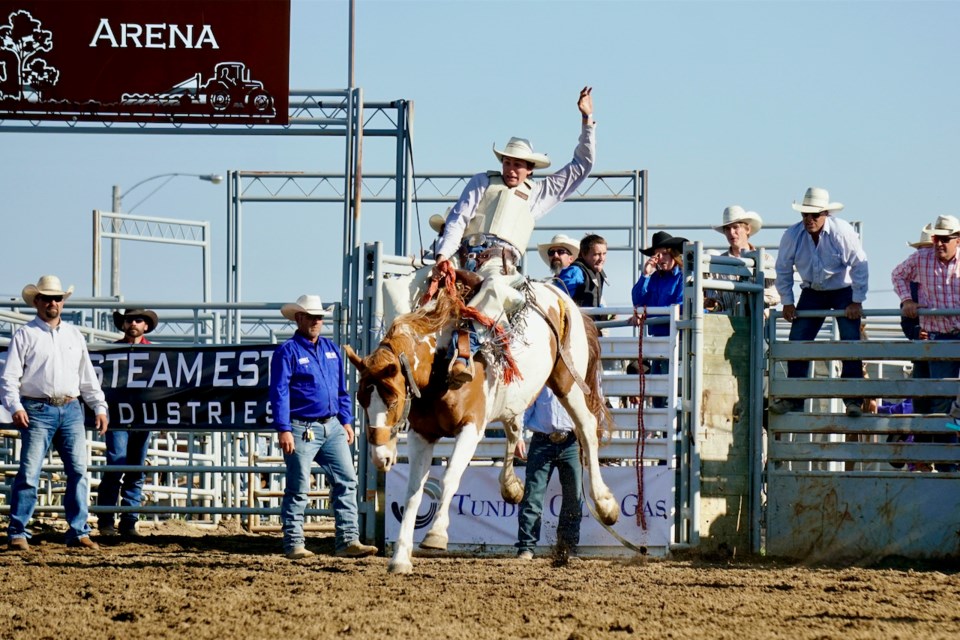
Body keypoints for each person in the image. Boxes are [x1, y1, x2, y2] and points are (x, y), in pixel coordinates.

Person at [431, 87, 596, 387]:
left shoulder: (538, 194)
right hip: (462, 258)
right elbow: (458, 218)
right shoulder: (482, 181)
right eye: (507, 162)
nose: (511, 168)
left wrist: (587, 123)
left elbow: (581, 167)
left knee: (494, 289)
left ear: (530, 169)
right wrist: (443, 256)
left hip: (501, 267)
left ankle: (465, 352)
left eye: (518, 164)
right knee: (422, 286)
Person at [1, 275, 109, 551]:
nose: (53, 303)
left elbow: (87, 376)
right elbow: (9, 378)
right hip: (37, 408)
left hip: (70, 407)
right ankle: (19, 531)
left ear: (62, 302)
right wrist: (16, 406)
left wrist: (99, 405)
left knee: (78, 472)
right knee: (30, 473)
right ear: (37, 301)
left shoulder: (74, 335)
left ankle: (77, 530)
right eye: (47, 298)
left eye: (57, 298)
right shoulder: (25, 334)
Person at [269, 294, 378, 560]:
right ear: (299, 318)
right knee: (299, 486)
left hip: (331, 426)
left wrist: (346, 420)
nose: (317, 321)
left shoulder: (330, 350)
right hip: (299, 427)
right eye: (312, 317)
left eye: (320, 317)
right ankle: (294, 543)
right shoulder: (287, 352)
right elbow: (279, 392)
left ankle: (348, 540)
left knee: (347, 481)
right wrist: (283, 428)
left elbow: (342, 390)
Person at [769, 187, 869, 417]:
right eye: (806, 214)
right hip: (813, 290)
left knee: (850, 341)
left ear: (826, 214)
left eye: (815, 215)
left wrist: (856, 300)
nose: (809, 219)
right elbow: (782, 268)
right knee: (797, 341)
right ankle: (794, 398)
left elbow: (859, 264)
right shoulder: (793, 235)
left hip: (842, 290)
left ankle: (853, 400)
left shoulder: (841, 232)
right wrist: (787, 301)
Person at [891, 214, 960, 471]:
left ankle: (942, 455)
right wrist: (907, 300)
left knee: (943, 402)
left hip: (945, 338)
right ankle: (945, 461)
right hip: (939, 338)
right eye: (936, 239)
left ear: (957, 240)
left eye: (944, 239)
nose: (939, 244)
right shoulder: (922, 259)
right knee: (941, 402)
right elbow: (898, 275)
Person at [96, 308, 159, 539]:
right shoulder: (112, 351)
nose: (133, 323)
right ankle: (107, 520)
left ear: (145, 326)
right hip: (118, 417)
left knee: (135, 469)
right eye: (129, 320)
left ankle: (127, 521)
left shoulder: (156, 353)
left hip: (143, 417)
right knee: (117, 465)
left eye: (138, 320)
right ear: (123, 325)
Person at [515, 387, 582, 561]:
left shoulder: (574, 379)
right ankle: (526, 546)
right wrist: (518, 436)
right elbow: (526, 406)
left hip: (570, 441)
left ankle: (567, 547)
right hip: (543, 441)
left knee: (573, 496)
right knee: (532, 496)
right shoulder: (541, 378)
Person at [631, 231, 687, 409]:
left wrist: (646, 312)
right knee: (657, 393)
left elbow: (679, 307)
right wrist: (645, 275)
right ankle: (664, 433)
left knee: (672, 393)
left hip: (677, 342)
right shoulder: (654, 278)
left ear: (673, 254)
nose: (659, 258)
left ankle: (673, 433)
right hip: (656, 344)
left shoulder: (683, 277)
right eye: (656, 254)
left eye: (663, 253)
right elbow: (637, 299)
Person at [704, 206, 780, 315]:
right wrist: (714, 305)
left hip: (758, 324)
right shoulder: (719, 262)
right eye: (727, 229)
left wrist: (748, 300)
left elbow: (775, 295)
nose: (731, 232)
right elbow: (718, 303)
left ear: (747, 229)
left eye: (735, 227)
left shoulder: (765, 259)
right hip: (729, 325)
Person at [557, 233, 609, 310]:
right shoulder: (575, 272)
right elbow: (558, 298)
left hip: (593, 320)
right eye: (597, 254)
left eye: (604, 254)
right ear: (584, 254)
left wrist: (605, 314)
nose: (601, 258)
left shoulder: (597, 272)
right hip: (577, 320)